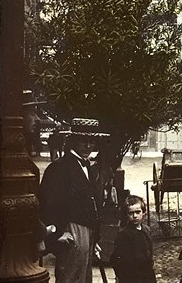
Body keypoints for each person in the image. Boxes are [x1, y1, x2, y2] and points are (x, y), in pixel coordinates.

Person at [39, 117, 109, 283]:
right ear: (73, 141)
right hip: (71, 232)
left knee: (84, 279)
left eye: (91, 141)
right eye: (83, 141)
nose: (88, 146)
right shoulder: (59, 167)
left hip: (88, 233)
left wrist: (95, 237)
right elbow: (47, 204)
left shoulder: (89, 168)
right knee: (70, 278)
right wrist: (57, 234)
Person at [110, 195, 156, 283]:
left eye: (138, 212)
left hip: (147, 275)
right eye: (131, 213)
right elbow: (116, 260)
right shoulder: (124, 235)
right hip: (131, 277)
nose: (135, 216)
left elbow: (149, 253)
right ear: (126, 214)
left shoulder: (146, 230)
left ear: (144, 213)